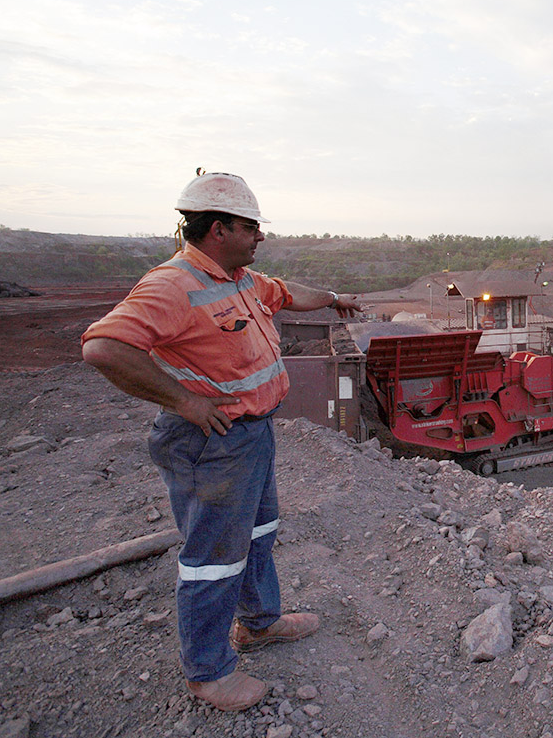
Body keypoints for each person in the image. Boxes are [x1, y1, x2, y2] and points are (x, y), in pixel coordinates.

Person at [81, 171, 367, 712]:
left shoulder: (237, 278)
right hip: (209, 443)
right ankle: (208, 674)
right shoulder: (174, 285)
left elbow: (287, 293)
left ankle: (258, 623)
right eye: (251, 227)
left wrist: (335, 298)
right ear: (217, 229)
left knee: (258, 531)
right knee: (213, 556)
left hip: (250, 437)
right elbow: (104, 347)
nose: (260, 237)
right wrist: (185, 401)